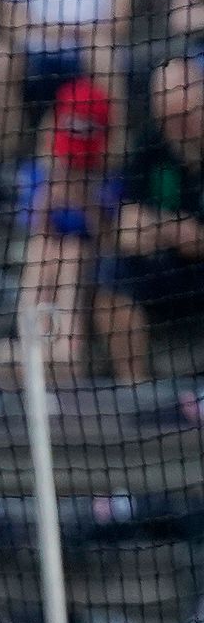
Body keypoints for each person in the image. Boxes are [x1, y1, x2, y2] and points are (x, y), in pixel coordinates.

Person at [96, 54, 204, 385]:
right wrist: (168, 230)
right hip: (166, 268)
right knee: (112, 274)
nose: (177, 127)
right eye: (168, 117)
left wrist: (158, 227)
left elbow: (196, 241)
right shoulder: (150, 146)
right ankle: (135, 389)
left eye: (184, 115)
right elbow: (127, 222)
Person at [13, 78, 117, 380]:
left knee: (72, 250)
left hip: (89, 267)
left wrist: (84, 200)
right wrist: (50, 193)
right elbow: (34, 226)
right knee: (43, 247)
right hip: (44, 262)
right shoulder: (38, 172)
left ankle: (67, 347)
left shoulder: (106, 178)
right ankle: (34, 342)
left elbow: (107, 239)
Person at [0, 0, 136, 160]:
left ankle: (115, 154)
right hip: (32, 49)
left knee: (105, 52)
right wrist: (57, 31)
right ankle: (11, 156)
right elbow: (8, 20)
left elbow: (120, 23)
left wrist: (67, 31)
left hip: (87, 48)